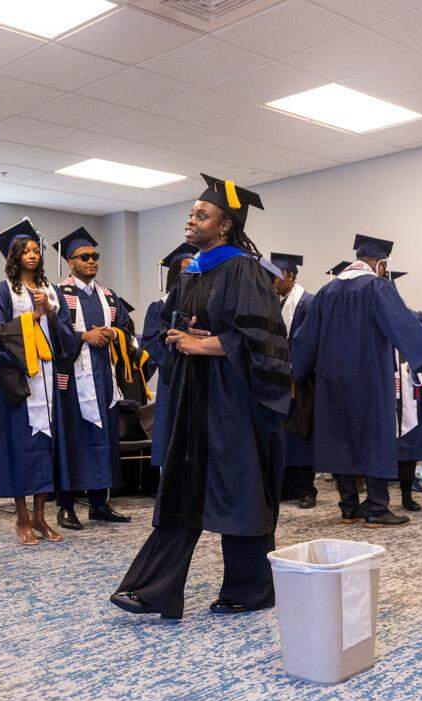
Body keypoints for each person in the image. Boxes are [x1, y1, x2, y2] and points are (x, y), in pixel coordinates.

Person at [112, 174, 289, 620]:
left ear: (225, 225)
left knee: (241, 487)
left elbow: (264, 338)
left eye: (201, 214)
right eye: (191, 213)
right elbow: (178, 324)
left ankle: (250, 590)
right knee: (180, 486)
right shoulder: (191, 271)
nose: (191, 220)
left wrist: (206, 345)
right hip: (193, 395)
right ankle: (155, 590)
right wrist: (178, 338)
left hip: (232, 397)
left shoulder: (245, 269)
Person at [292, 235, 422, 528]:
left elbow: (304, 339)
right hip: (369, 379)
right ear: (380, 264)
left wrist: (293, 371)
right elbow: (403, 324)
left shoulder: (326, 292)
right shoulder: (376, 287)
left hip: (331, 381)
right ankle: (376, 508)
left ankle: (349, 508)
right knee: (374, 436)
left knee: (340, 438)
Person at [0, 218, 76, 545]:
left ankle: (41, 517)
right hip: (19, 382)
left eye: (37, 250)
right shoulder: (2, 291)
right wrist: (30, 318)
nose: (34, 256)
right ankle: (22, 517)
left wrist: (48, 312)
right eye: (27, 251)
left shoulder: (51, 292)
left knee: (45, 448)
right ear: (14, 257)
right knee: (21, 448)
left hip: (47, 383)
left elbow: (66, 337)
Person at [53, 226, 132, 529]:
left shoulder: (109, 296)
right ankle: (67, 507)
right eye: (84, 257)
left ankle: (100, 503)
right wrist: (84, 336)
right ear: (70, 262)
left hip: (104, 378)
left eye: (95, 256)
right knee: (73, 439)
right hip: (73, 381)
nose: (91, 261)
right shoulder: (60, 294)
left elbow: (125, 327)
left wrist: (111, 332)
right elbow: (55, 334)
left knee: (104, 440)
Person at [140, 243, 196, 468]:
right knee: (171, 433)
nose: (190, 275)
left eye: (194, 270)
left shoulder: (202, 307)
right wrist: (178, 355)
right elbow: (151, 342)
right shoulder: (158, 308)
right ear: (174, 274)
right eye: (184, 270)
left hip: (199, 378)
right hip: (172, 379)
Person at [389, 271, 422, 512]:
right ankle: (377, 498)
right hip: (382, 392)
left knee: (409, 446)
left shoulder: (416, 317)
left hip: (411, 390)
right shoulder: (371, 321)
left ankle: (407, 495)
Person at [272, 252, 317, 509]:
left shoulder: (307, 303)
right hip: (280, 381)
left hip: (302, 382)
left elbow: (309, 343)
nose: (272, 283)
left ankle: (306, 490)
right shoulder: (277, 302)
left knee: (300, 434)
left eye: (276, 277)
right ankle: (287, 486)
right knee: (283, 435)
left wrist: (295, 371)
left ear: (289, 275)